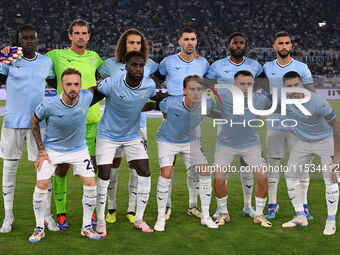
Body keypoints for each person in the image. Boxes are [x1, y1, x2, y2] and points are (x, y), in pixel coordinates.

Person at [28, 68, 104, 242]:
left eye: (76, 84)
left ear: (81, 85)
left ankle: (86, 226)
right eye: (68, 84)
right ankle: (39, 227)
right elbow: (33, 121)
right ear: (61, 85)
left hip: (78, 150)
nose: (73, 88)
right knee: (41, 185)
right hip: (52, 150)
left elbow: (103, 87)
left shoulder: (86, 97)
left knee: (91, 183)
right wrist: (40, 150)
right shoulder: (49, 104)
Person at [45, 19, 103, 229]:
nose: (80, 36)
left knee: (91, 168)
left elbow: (109, 75)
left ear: (88, 36)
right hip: (64, 123)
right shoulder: (55, 55)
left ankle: (91, 212)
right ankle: (61, 212)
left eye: (84, 33)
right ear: (70, 36)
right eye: (76, 33)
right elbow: (34, 60)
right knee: (61, 169)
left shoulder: (95, 58)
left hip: (91, 121)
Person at [97, 28, 158, 224]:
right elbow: (96, 81)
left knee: (136, 168)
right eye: (131, 43)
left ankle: (132, 209)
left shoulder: (149, 65)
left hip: (138, 126)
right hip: (113, 128)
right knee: (112, 167)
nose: (134, 46)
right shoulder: (108, 65)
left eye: (138, 43)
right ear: (123, 44)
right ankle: (111, 206)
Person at [0, 24, 57, 233]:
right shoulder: (9, 60)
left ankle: (47, 215)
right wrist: (2, 55)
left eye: (32, 37)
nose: (29, 40)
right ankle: (8, 216)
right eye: (24, 38)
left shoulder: (46, 61)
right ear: (18, 41)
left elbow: (55, 83)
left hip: (38, 124)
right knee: (9, 170)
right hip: (12, 123)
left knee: (44, 171)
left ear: (37, 39)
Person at [206, 32, 264, 219]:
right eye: (235, 43)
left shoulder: (255, 66)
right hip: (226, 118)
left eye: (242, 42)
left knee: (247, 163)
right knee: (224, 165)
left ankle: (248, 205)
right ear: (229, 45)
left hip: (247, 119)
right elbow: (208, 88)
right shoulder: (217, 66)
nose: (239, 45)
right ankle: (221, 208)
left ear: (245, 45)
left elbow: (263, 87)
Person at [157, 26, 210, 220]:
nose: (190, 42)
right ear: (179, 42)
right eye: (186, 39)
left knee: (196, 167)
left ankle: (193, 205)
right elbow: (160, 77)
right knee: (168, 166)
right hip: (171, 120)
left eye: (193, 39)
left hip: (193, 121)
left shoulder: (203, 63)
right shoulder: (167, 62)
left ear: (197, 42)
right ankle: (167, 206)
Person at [154, 75, 218, 231]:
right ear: (184, 90)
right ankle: (161, 217)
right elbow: (162, 109)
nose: (196, 92)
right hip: (167, 140)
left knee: (205, 172)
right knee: (166, 173)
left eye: (199, 89)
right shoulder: (171, 103)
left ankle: (206, 216)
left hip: (190, 140)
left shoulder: (207, 104)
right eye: (192, 89)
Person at [281, 71, 339, 235]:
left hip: (326, 140)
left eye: (297, 85)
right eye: (289, 86)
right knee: (290, 175)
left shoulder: (318, 102)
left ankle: (331, 221)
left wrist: (337, 158)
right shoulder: (284, 101)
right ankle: (300, 217)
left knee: (330, 178)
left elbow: (336, 126)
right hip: (304, 142)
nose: (294, 89)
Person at [263, 31, 314, 220]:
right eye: (280, 43)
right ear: (274, 46)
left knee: (301, 168)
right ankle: (272, 204)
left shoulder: (302, 67)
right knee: (273, 165)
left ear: (291, 45)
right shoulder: (267, 68)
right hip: (275, 123)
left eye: (287, 43)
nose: (284, 46)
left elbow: (311, 92)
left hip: (298, 125)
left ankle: (304, 206)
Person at [213, 70, 272, 227]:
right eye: (241, 84)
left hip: (251, 145)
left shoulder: (261, 100)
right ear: (234, 85)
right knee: (218, 178)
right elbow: (202, 104)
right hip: (225, 144)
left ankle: (259, 214)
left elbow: (281, 103)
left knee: (263, 177)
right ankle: (223, 213)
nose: (245, 87)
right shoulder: (223, 96)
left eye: (249, 84)